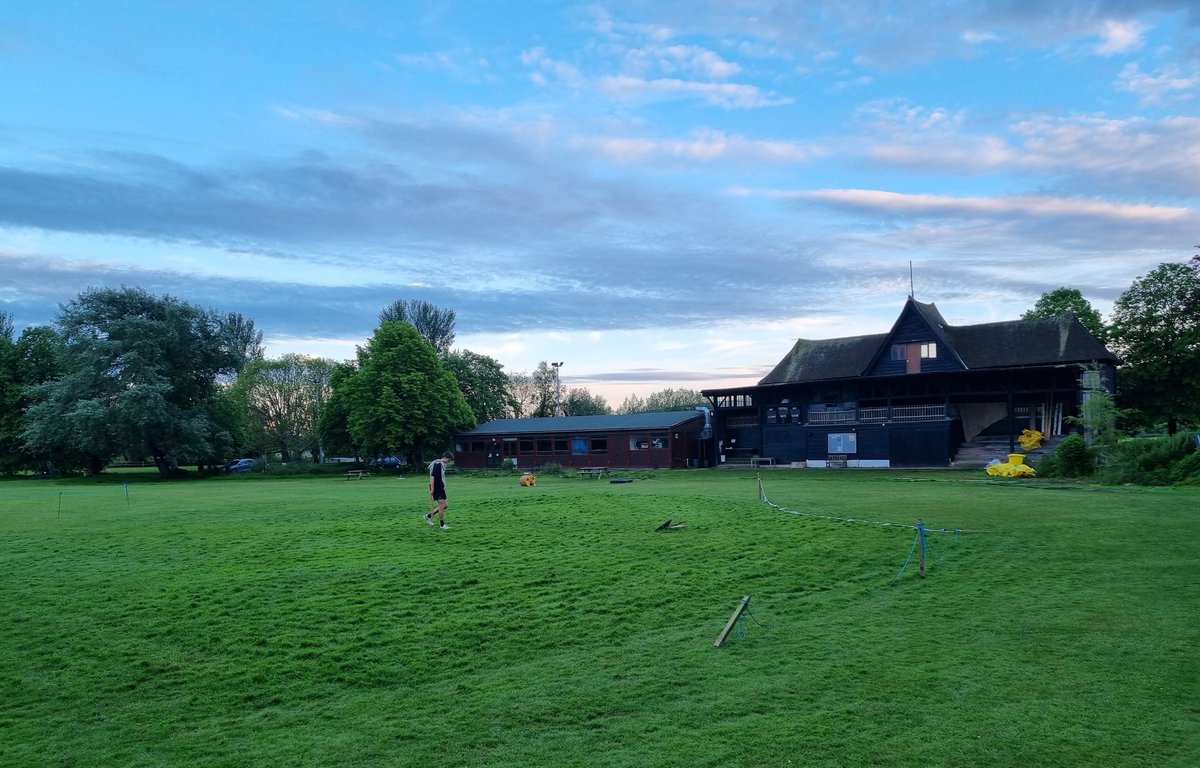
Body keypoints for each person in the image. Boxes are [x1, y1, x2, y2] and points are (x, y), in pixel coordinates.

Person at [424, 451, 454, 529]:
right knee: (441, 505)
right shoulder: (438, 464)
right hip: (437, 488)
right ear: (445, 457)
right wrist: (432, 489)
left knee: (445, 505)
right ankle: (442, 525)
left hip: (441, 487)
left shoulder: (441, 464)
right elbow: (432, 477)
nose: (448, 462)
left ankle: (428, 516)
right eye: (449, 460)